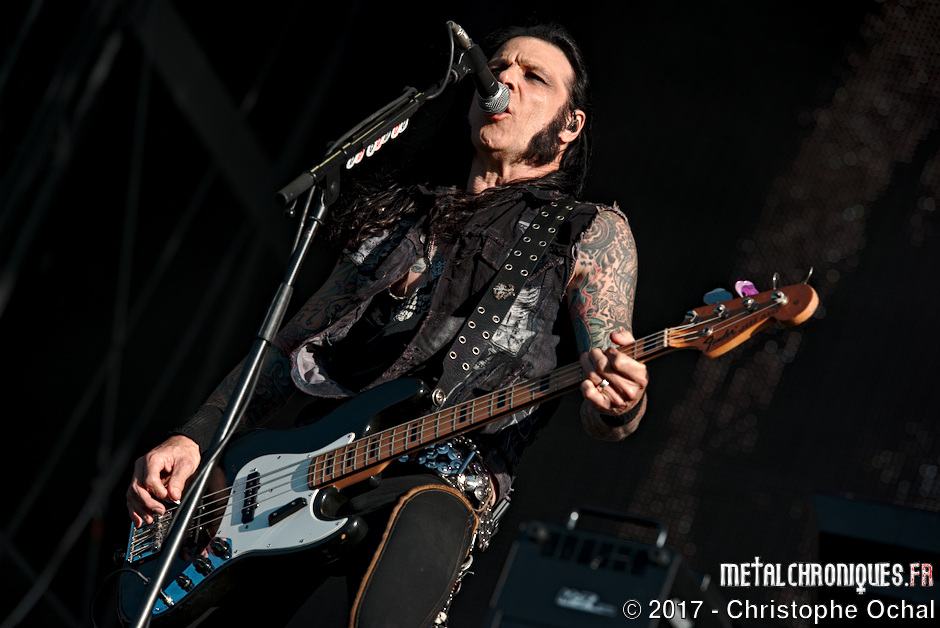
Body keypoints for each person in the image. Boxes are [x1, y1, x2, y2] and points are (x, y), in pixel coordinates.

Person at [125, 22, 648, 627]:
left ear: (570, 124)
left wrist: (621, 403)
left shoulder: (586, 232)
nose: (505, 78)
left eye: (534, 77)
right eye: (501, 65)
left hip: (440, 480)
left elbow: (606, 402)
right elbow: (286, 352)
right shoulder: (401, 220)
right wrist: (194, 438)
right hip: (305, 469)